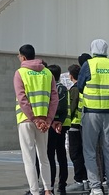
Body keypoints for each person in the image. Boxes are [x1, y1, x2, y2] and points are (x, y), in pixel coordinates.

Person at [14, 44, 60, 195]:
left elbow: (22, 99)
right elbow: (54, 99)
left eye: (19, 56)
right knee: (44, 157)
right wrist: (48, 120)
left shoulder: (20, 73)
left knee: (29, 159)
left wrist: (34, 119)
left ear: (24, 57)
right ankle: (48, 190)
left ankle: (34, 192)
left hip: (27, 120)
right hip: (44, 122)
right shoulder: (47, 73)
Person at [77, 40, 109, 195]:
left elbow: (80, 86)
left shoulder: (89, 64)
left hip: (91, 113)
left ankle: (96, 187)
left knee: (89, 151)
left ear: (92, 50)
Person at [64, 61, 89, 193]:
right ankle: (85, 180)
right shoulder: (84, 87)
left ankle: (79, 180)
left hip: (74, 124)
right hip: (84, 124)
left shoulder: (74, 89)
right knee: (83, 154)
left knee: (75, 154)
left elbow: (71, 107)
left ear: (71, 75)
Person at [45, 64, 70, 194]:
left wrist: (55, 120)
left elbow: (58, 107)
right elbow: (64, 108)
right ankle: (62, 186)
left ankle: (51, 187)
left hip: (54, 125)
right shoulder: (63, 88)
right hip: (62, 124)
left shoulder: (54, 88)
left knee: (50, 156)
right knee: (61, 156)